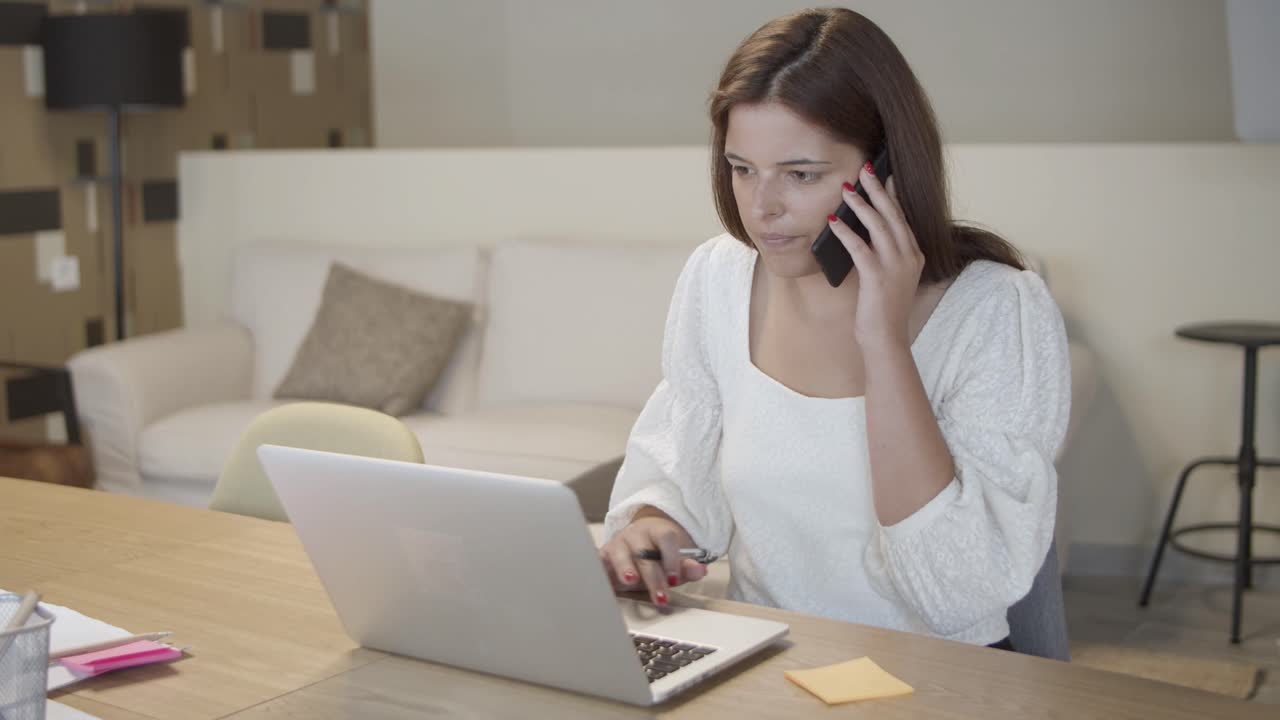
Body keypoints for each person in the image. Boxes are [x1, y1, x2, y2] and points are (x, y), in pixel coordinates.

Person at [598, 7, 1070, 649]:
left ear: (886, 168)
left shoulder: (995, 311)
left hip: (937, 674)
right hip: (766, 657)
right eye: (742, 168)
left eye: (801, 175)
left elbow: (957, 591)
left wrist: (884, 342)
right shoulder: (719, 277)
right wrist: (653, 526)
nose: (762, 208)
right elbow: (681, 473)